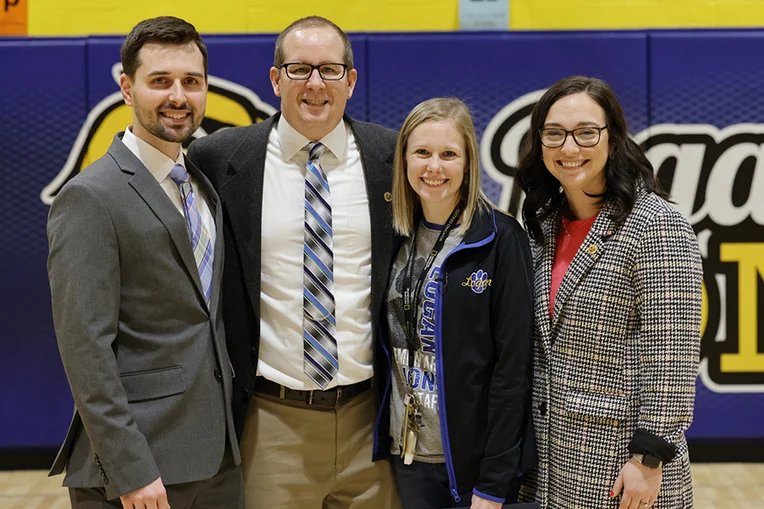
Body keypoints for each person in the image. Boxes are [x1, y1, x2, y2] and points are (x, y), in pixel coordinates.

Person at [186, 15, 401, 509]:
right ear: (275, 78)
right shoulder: (220, 158)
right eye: (300, 69)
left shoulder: (392, 156)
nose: (315, 84)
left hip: (373, 423)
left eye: (329, 69)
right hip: (272, 420)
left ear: (350, 80)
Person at [46, 16, 242, 509]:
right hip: (139, 473)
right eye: (160, 81)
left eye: (191, 82)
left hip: (216, 460)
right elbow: (85, 347)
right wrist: (131, 469)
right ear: (127, 88)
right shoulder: (89, 197)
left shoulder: (201, 182)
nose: (178, 96)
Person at [515, 76, 703, 509]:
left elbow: (672, 353)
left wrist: (648, 458)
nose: (569, 148)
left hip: (622, 465)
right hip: (554, 460)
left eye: (586, 132)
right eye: (554, 134)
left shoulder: (655, 225)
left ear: (613, 139)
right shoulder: (543, 224)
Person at [373, 97, 534, 509]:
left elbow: (512, 370)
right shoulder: (391, 237)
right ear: (404, 159)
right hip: (407, 454)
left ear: (468, 163)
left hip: (471, 464)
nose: (434, 167)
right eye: (422, 152)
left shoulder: (501, 239)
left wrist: (495, 480)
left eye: (449, 154)